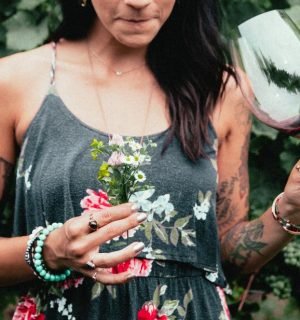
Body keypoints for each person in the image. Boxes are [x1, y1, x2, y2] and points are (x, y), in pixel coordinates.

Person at [0, 0, 299, 319]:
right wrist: (49, 251)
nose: (140, 2)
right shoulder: (16, 81)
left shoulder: (221, 89)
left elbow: (223, 256)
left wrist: (290, 210)